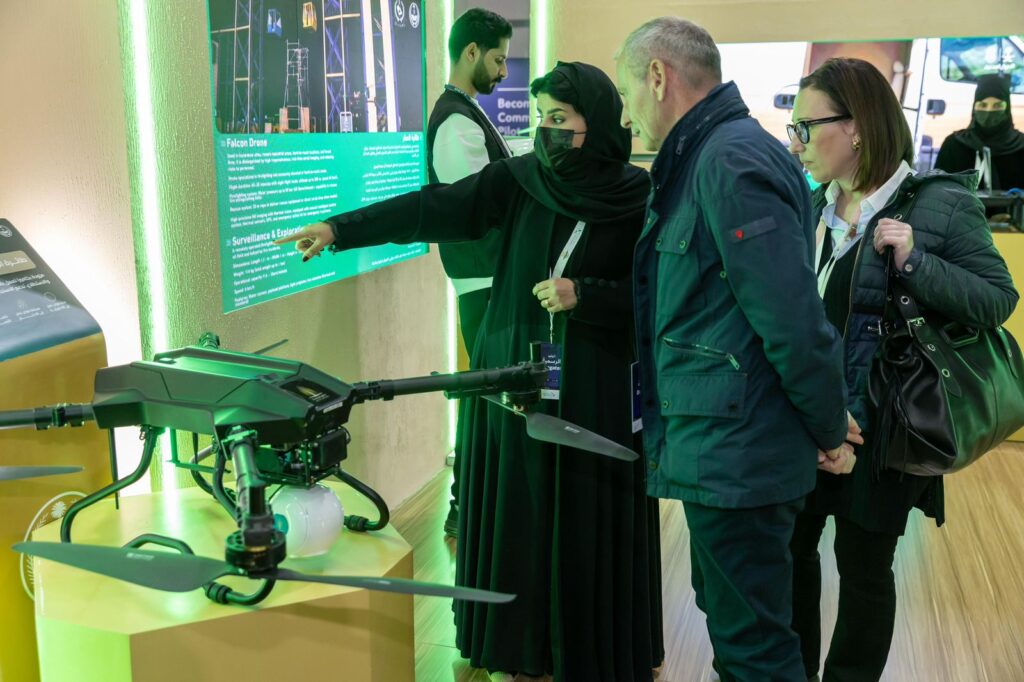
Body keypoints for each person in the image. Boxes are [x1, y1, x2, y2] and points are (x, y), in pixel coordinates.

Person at [275, 61, 664, 682]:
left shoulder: (638, 197)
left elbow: (658, 295)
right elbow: (433, 208)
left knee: (583, 507)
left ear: (596, 120)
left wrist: (586, 295)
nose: (546, 130)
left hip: (596, 380)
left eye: (560, 118)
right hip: (514, 371)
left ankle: (588, 648)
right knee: (519, 503)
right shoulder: (521, 180)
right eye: (540, 117)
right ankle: (515, 645)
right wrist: (339, 229)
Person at [615, 17, 862, 681]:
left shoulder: (729, 161)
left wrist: (826, 426)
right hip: (728, 448)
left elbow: (792, 320)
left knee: (754, 651)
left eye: (627, 93)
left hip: (739, 455)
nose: (627, 115)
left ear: (658, 77)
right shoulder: (714, 155)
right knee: (741, 636)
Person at [786, 57, 1019, 682]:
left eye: (806, 127)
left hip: (884, 429)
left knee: (864, 569)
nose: (796, 142)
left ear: (857, 127)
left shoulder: (939, 204)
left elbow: (997, 300)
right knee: (791, 553)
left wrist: (915, 261)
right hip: (807, 421)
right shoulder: (808, 206)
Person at [428, 8, 513, 538]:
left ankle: (476, 507)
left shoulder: (465, 114)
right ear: (472, 52)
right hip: (484, 283)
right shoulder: (457, 120)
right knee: (486, 398)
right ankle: (466, 508)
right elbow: (479, 207)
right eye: (499, 59)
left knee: (490, 395)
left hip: (487, 282)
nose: (503, 72)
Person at [935, 73, 1024, 191]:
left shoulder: (1021, 146)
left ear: (1007, 108)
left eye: (997, 105)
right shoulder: (954, 145)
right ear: (974, 107)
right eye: (982, 105)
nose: (989, 111)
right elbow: (937, 191)